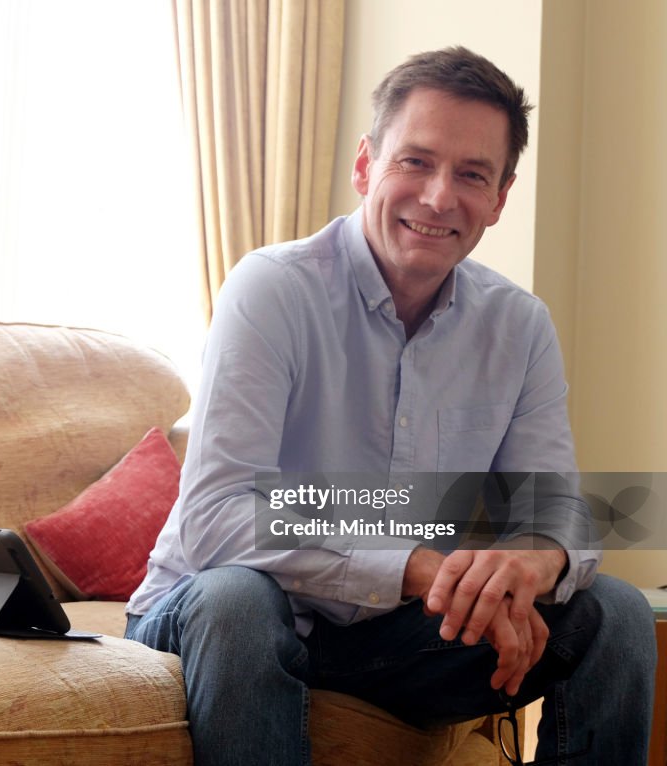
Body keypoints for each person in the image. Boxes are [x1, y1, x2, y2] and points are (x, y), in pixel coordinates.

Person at [125, 46, 657, 765]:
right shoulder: (271, 290)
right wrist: (424, 567)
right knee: (238, 599)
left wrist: (532, 564)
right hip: (214, 616)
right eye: (416, 161)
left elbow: (555, 508)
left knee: (616, 613)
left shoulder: (519, 326)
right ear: (365, 165)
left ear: (500, 197)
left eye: (472, 174)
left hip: (389, 639)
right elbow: (220, 516)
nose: (439, 197)